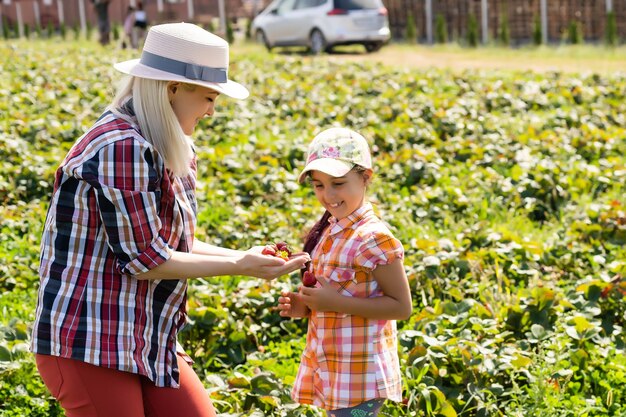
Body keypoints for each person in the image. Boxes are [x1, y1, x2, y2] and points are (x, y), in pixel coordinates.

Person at [30, 22, 310, 417]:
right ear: (173, 89)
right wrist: (239, 266)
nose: (212, 110)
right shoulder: (122, 148)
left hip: (145, 332)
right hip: (89, 335)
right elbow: (145, 260)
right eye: (209, 97)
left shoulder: (170, 144)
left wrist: (243, 254)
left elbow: (169, 242)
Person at [278, 128, 413, 417]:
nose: (328, 195)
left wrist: (332, 302)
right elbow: (334, 294)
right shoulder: (331, 229)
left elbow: (401, 307)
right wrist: (306, 306)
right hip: (337, 369)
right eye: (318, 185)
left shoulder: (374, 238)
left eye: (338, 183)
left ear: (366, 177)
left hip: (360, 376)